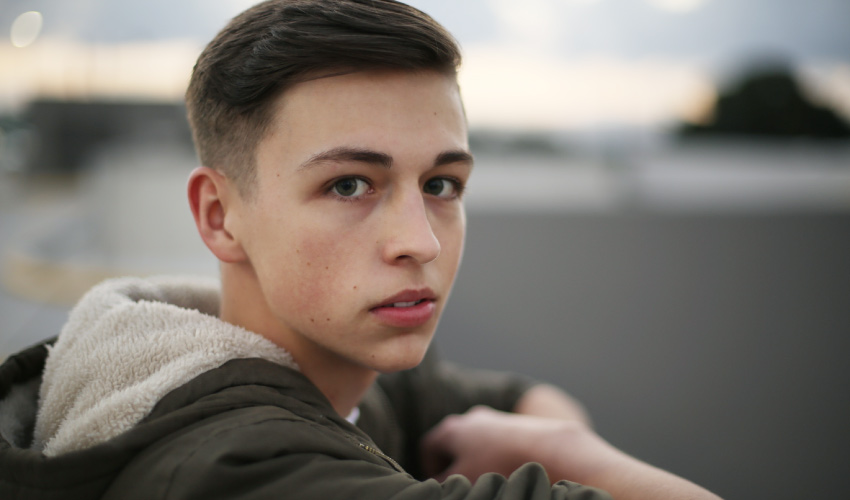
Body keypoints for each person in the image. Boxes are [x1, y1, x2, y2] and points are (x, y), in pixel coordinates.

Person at [0, 1, 721, 499]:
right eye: (350, 185)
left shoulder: (332, 367)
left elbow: (495, 400)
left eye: (442, 182)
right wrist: (570, 457)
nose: (419, 241)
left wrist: (545, 432)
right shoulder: (241, 470)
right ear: (221, 216)